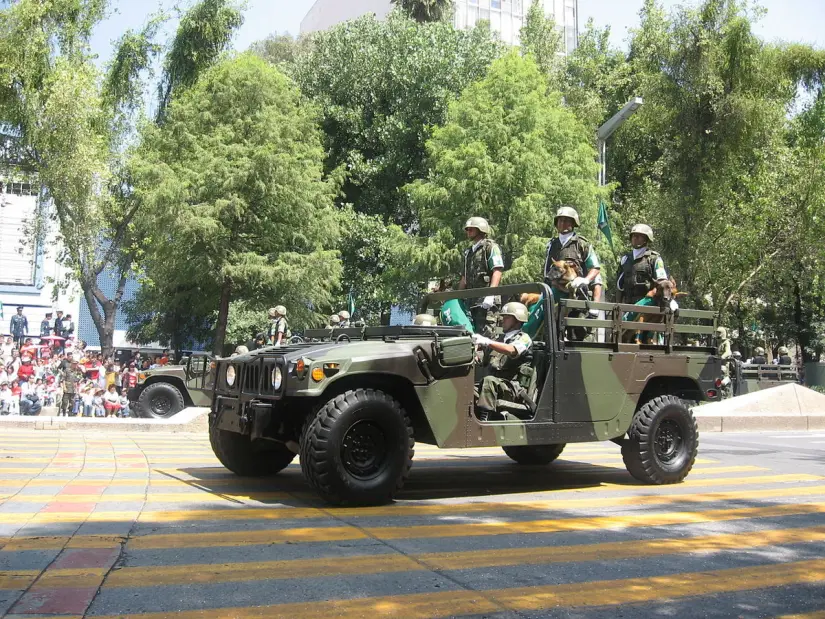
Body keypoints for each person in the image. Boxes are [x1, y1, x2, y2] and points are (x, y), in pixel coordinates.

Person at [472, 302, 533, 422]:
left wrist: (487, 341)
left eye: (507, 317)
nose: (502, 320)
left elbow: (511, 350)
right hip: (494, 386)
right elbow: (482, 360)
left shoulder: (524, 338)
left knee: (489, 381)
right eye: (503, 317)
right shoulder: (499, 340)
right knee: (467, 388)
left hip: (513, 388)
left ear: (517, 320)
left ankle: (485, 421)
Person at [544, 207, 602, 304]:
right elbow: (546, 271)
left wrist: (585, 280)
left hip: (577, 294)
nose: (562, 223)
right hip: (553, 293)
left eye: (566, 221)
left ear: (573, 223)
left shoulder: (582, 244)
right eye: (560, 220)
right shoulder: (551, 245)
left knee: (578, 318)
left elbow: (595, 267)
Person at [458, 216, 505, 335]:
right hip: (471, 301)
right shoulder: (468, 252)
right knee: (471, 334)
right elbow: (464, 277)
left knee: (487, 335)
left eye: (471, 229)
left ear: (480, 230)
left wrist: (490, 294)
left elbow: (497, 270)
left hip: (486, 301)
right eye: (467, 229)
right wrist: (458, 297)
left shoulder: (490, 247)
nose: (468, 232)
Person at [616, 224, 668, 305]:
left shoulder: (654, 259)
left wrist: (652, 294)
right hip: (627, 304)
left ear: (646, 239)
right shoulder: (625, 259)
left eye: (639, 236)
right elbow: (619, 285)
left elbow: (663, 283)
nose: (635, 238)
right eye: (633, 236)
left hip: (648, 304)